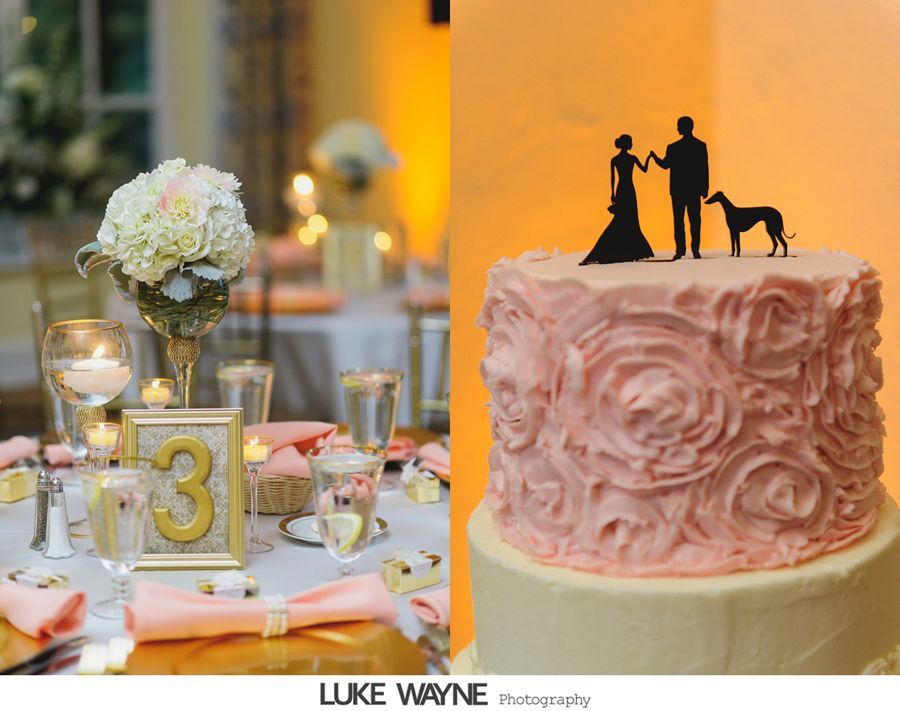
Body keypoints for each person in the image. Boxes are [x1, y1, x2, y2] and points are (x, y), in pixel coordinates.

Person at [579, 134, 654, 265]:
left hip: (621, 190)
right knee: (629, 219)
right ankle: (629, 249)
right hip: (629, 190)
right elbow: (645, 169)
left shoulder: (615, 159)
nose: (632, 144)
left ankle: (621, 249)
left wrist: (613, 194)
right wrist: (649, 158)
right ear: (627, 144)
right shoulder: (632, 158)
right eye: (631, 142)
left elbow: (612, 178)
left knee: (622, 219)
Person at [650, 116, 709, 260]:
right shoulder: (699, 145)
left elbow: (665, 165)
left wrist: (654, 157)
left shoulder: (674, 147)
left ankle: (681, 250)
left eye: (678, 125)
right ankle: (694, 249)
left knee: (680, 220)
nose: (677, 128)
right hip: (692, 189)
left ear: (684, 127)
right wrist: (705, 187)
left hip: (679, 190)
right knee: (694, 220)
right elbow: (704, 169)